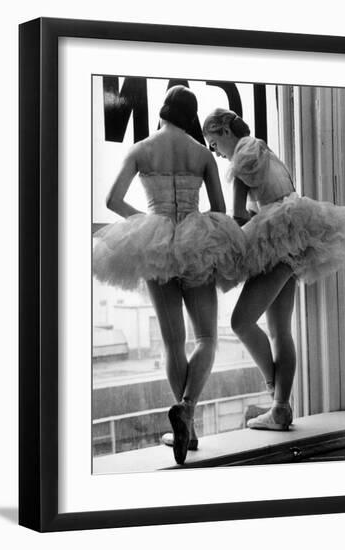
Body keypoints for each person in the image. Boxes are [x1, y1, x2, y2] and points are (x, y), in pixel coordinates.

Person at [93, 88, 246, 463]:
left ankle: (187, 428)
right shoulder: (199, 152)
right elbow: (221, 208)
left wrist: (149, 225)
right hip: (196, 241)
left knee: (172, 343)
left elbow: (112, 200)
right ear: (190, 116)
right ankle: (188, 411)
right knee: (207, 337)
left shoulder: (142, 148)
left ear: (162, 112)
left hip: (156, 241)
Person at [203, 108, 345, 431]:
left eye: (214, 145)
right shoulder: (265, 150)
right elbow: (281, 195)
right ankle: (280, 408)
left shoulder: (242, 157)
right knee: (280, 330)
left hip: (278, 241)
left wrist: (213, 225)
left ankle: (273, 388)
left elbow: (239, 216)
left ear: (226, 132)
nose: (217, 154)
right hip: (296, 238)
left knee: (240, 322)